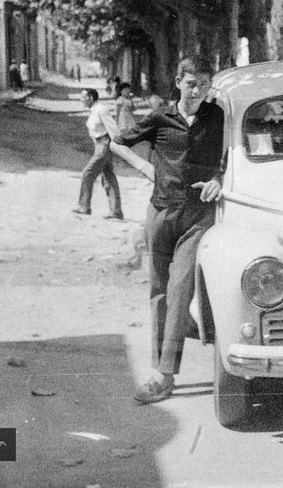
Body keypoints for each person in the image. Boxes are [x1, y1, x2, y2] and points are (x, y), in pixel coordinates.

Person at [108, 56, 224, 404]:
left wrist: (219, 179)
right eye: (191, 83)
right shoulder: (161, 117)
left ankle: (164, 374)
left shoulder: (218, 117)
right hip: (160, 212)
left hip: (198, 216)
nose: (198, 90)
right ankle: (172, 346)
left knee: (179, 288)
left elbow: (230, 156)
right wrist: (146, 168)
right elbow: (117, 142)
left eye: (204, 83)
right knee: (159, 290)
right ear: (178, 82)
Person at [72, 88, 125, 220]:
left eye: (83, 97)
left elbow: (112, 127)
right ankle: (116, 211)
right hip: (99, 145)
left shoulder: (101, 109)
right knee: (108, 177)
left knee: (87, 173)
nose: (81, 99)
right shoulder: (94, 110)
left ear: (90, 98)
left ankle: (84, 206)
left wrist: (118, 146)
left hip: (104, 145)